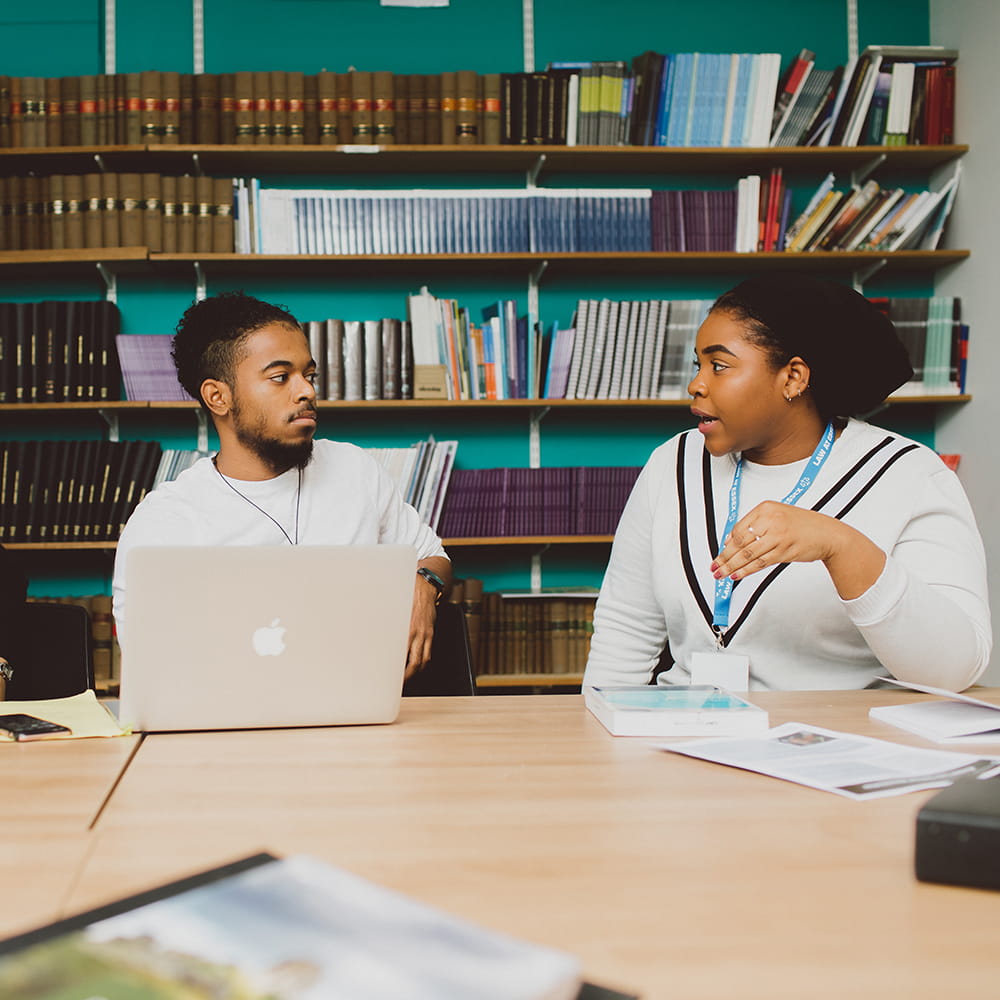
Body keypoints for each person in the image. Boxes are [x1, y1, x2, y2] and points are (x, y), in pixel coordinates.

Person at [583, 275, 991, 693]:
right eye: (698, 365)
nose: (697, 384)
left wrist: (840, 545)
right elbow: (625, 631)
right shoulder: (673, 462)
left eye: (719, 366)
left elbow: (956, 668)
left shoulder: (910, 474)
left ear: (793, 377)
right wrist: (599, 741)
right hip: (686, 734)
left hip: (835, 746)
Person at [112, 291, 451, 678]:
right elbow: (152, 670)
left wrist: (424, 586)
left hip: (361, 717)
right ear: (217, 397)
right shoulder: (165, 523)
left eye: (309, 375)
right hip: (228, 731)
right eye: (280, 377)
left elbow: (433, 555)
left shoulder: (355, 470)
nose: (306, 391)